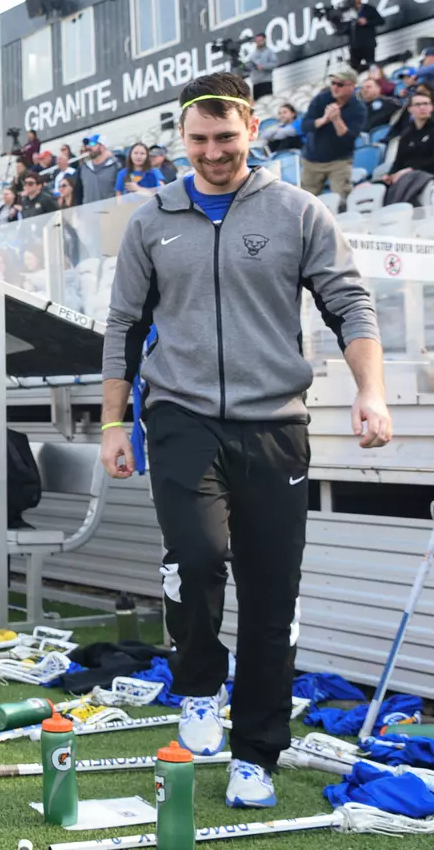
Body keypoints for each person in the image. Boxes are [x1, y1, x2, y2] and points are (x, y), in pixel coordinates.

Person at [101, 71, 389, 809]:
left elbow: (348, 304)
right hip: (181, 418)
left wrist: (371, 391)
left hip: (275, 426)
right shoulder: (151, 220)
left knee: (271, 597)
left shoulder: (298, 211)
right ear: (181, 138)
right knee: (195, 558)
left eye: (226, 137)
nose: (212, 152)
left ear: (253, 129)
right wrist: (113, 422)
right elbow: (124, 331)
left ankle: (256, 753)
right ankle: (198, 687)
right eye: (198, 139)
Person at [300, 68, 367, 201]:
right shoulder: (321, 99)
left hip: (339, 161)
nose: (335, 87)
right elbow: (306, 125)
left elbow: (349, 139)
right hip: (313, 160)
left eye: (340, 84)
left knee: (341, 199)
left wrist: (337, 119)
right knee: (305, 201)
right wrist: (324, 119)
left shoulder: (358, 109)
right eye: (333, 83)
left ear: (352, 86)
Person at [383, 88, 434, 204]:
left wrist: (410, 170)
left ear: (431, 107)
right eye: (418, 104)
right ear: (410, 109)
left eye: (426, 104)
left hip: (426, 176)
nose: (422, 107)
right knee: (370, 187)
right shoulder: (406, 135)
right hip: (406, 177)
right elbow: (398, 162)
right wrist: (390, 175)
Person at [338, 0, 383, 71]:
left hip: (368, 44)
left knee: (371, 65)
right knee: (354, 68)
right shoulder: (347, 13)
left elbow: (381, 21)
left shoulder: (368, 8)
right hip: (354, 46)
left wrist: (367, 22)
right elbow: (345, 29)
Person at [77, 135, 121, 203]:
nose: (88, 147)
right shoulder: (84, 169)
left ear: (102, 146)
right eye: (87, 144)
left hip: (110, 211)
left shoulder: (115, 166)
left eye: (92, 143)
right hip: (89, 211)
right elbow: (79, 193)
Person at [243, 33, 276, 99]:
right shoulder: (253, 54)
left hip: (266, 82)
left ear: (264, 40)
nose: (259, 42)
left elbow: (274, 64)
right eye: (257, 41)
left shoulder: (269, 52)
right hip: (256, 83)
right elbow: (250, 67)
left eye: (260, 40)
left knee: (267, 99)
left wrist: (263, 66)